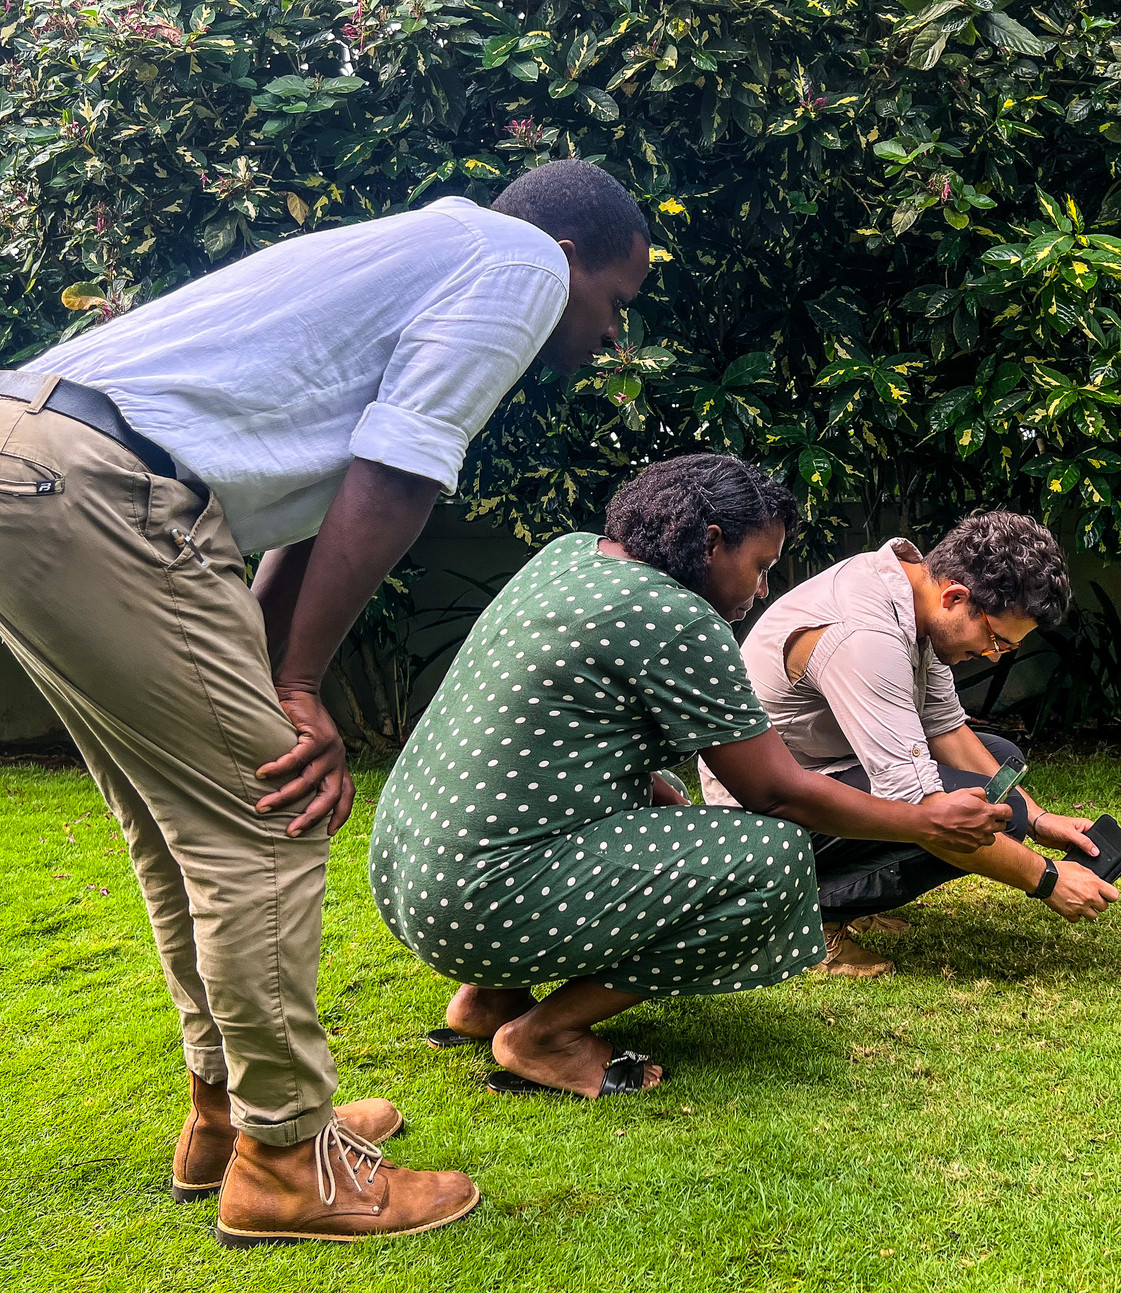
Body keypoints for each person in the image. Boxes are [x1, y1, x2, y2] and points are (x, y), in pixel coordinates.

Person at [0, 160, 651, 1247]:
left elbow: (335, 490)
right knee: (270, 812)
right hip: (91, 482)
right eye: (616, 304)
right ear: (575, 253)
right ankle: (284, 1163)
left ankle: (229, 1119)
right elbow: (398, 473)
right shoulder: (517, 261)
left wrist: (274, 667)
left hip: (0, 459)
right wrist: (297, 686)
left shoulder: (418, 248)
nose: (606, 334)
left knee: (185, 826)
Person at [368, 454, 1012, 1097]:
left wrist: (658, 796)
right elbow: (777, 791)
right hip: (480, 900)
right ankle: (546, 1036)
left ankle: (486, 1000)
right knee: (774, 857)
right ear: (709, 544)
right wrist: (924, 819)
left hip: (409, 872)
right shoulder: (677, 620)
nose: (763, 589)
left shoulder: (570, 557)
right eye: (760, 566)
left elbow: (559, 731)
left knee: (631, 808)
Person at [699, 511, 1120, 977]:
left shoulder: (913, 599)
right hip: (764, 811)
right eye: (997, 640)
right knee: (963, 813)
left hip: (832, 767)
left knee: (1002, 774)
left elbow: (945, 728)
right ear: (956, 597)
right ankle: (811, 918)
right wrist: (1046, 879)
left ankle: (853, 893)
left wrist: (1039, 820)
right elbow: (919, 808)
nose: (992, 655)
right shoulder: (866, 636)